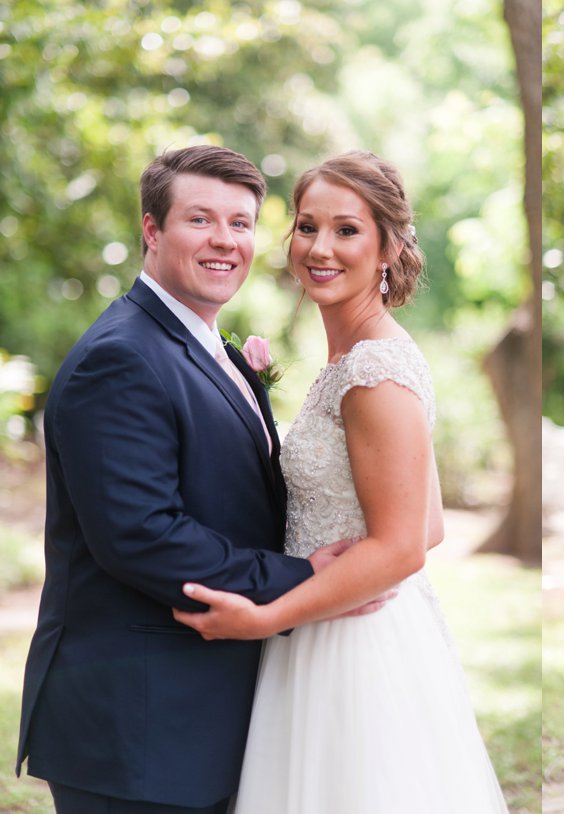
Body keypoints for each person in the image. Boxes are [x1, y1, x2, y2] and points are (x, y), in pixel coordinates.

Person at [16, 145, 360, 813]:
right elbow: (141, 535)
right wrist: (300, 579)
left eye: (240, 223)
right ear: (152, 229)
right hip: (136, 722)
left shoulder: (209, 347)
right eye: (200, 220)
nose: (225, 241)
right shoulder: (119, 358)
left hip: (201, 711)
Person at [171, 151, 509, 813]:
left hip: (353, 647)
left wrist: (265, 616)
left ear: (388, 247)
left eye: (347, 230)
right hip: (335, 621)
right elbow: (430, 522)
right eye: (306, 226)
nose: (320, 248)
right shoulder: (355, 357)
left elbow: (405, 546)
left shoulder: (375, 370)